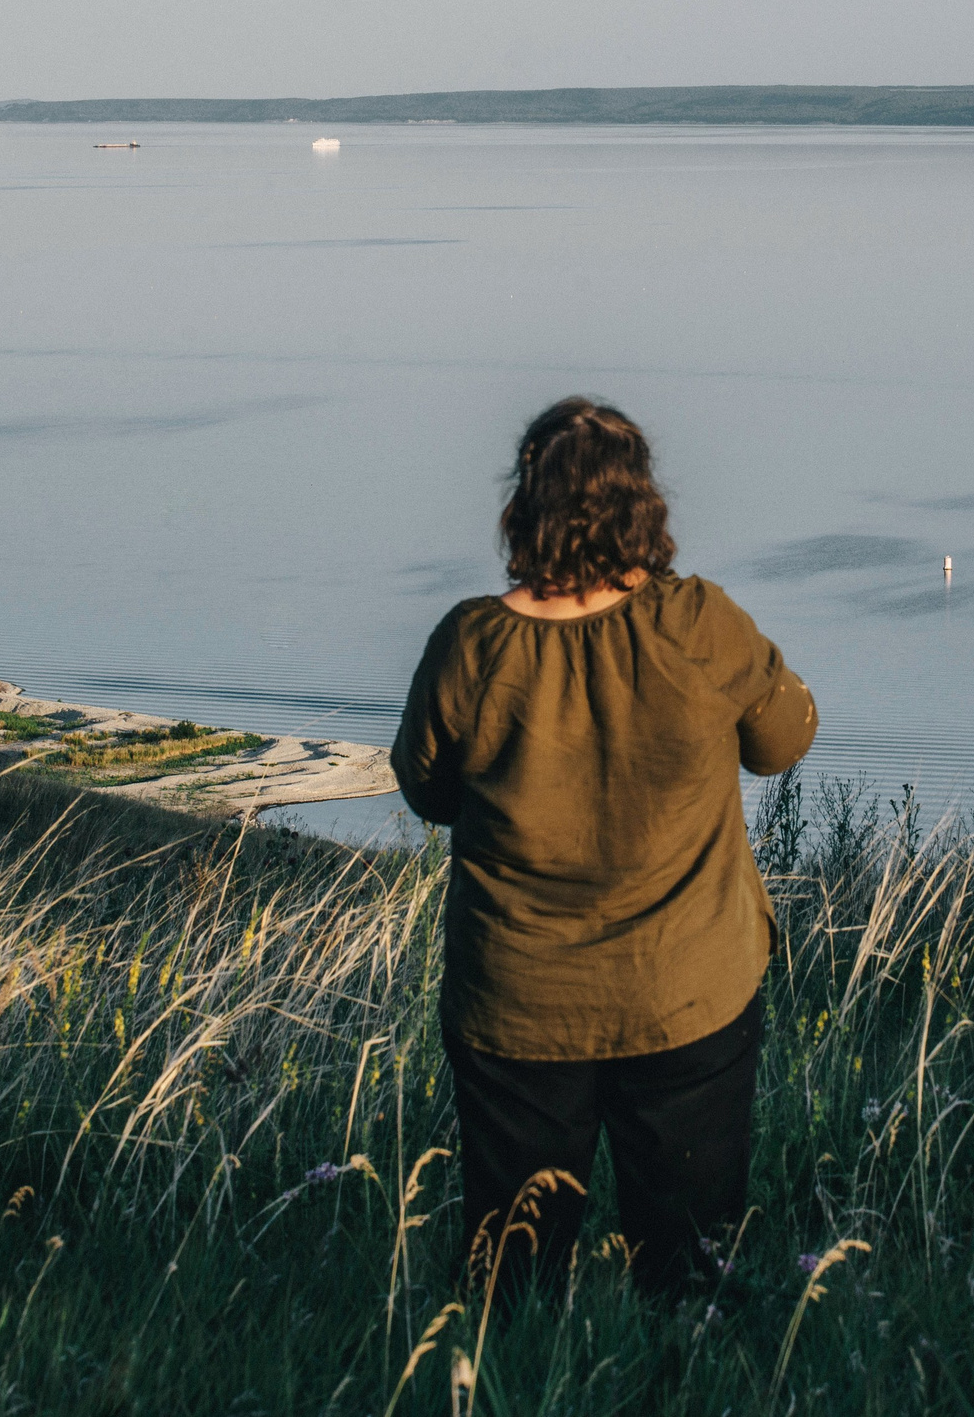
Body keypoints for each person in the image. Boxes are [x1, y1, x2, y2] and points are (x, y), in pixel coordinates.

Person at [390, 396, 818, 1306]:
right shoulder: (699, 625)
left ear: (525, 505)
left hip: (517, 1005)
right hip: (688, 996)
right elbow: (783, 742)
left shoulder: (471, 644)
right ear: (643, 506)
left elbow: (426, 792)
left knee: (510, 1281)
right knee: (693, 1276)